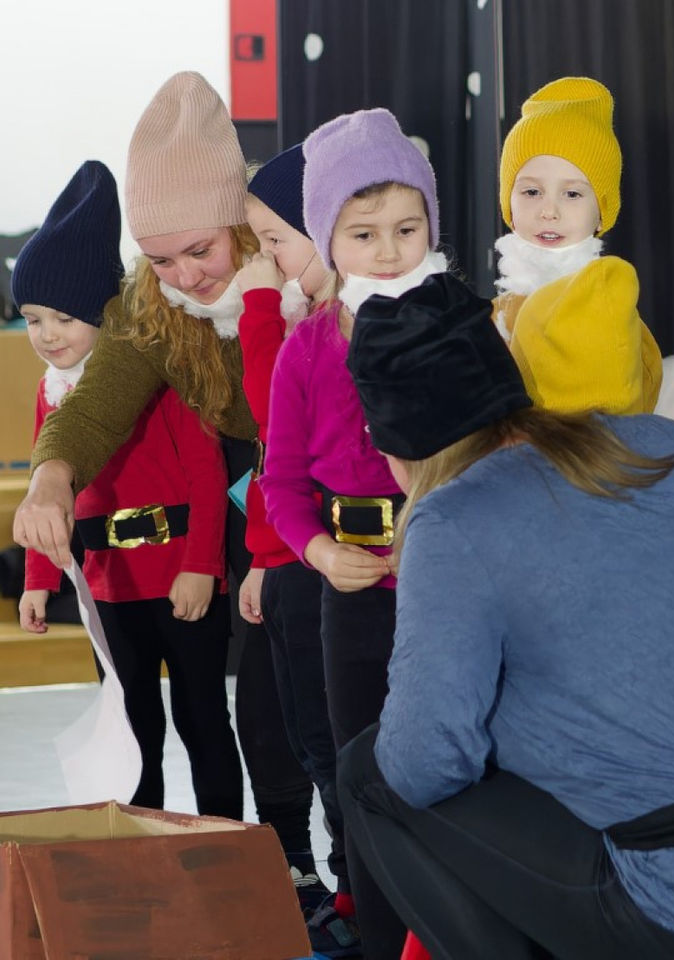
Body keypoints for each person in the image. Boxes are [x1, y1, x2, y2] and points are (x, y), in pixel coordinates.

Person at [338, 273, 674, 960]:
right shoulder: (670, 442)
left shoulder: (452, 518)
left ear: (397, 450)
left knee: (366, 770)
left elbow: (424, 763)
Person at [11, 72, 317, 888]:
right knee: (257, 706)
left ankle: (338, 874)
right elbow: (96, 403)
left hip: (315, 504)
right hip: (253, 523)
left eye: (200, 250)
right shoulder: (153, 306)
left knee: (313, 709)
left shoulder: (295, 278)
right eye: (159, 258)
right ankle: (289, 871)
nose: (183, 274)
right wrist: (50, 478)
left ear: (239, 225)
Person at [259, 107, 447, 960]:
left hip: (442, 584)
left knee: (451, 766)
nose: (387, 250)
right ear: (328, 239)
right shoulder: (304, 348)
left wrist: (436, 536)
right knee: (357, 768)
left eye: (407, 229)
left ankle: (455, 929)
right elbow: (282, 483)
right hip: (348, 585)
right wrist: (317, 550)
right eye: (363, 232)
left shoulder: (462, 327)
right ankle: (378, 933)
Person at [13, 160, 242, 817]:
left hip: (180, 576)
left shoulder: (158, 368)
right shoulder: (50, 394)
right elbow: (46, 484)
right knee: (133, 722)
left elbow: (205, 472)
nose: (47, 335)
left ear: (105, 314)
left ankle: (222, 835)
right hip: (109, 582)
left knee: (202, 719)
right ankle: (143, 848)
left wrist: (202, 569)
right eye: (32, 319)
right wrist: (39, 577)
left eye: (62, 317)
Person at [232, 142, 349, 934]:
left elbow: (278, 423)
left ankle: (357, 894)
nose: (268, 260)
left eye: (277, 240)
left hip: (333, 569)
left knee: (335, 742)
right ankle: (335, 889)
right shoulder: (307, 320)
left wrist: (257, 312)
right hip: (293, 559)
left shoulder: (325, 328)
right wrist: (264, 556)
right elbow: (275, 465)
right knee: (305, 735)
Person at [494, 75, 662, 416]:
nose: (549, 211)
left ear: (601, 212)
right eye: (531, 191)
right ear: (508, 203)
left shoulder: (608, 308)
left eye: (572, 194)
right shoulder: (495, 315)